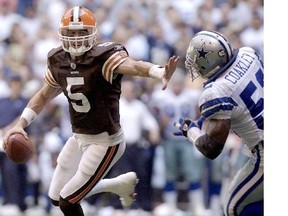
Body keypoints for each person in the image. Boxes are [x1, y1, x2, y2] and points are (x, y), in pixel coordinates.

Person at [2, 6, 179, 216]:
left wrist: (157, 71)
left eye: (82, 32)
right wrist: (20, 124)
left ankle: (112, 186)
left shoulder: (103, 57)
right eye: (72, 32)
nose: (76, 38)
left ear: (92, 34)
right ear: (62, 34)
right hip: (78, 137)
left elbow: (132, 66)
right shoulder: (58, 60)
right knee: (55, 198)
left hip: (106, 142)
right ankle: (116, 184)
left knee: (68, 201)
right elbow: (43, 95)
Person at [174, 30, 263, 216]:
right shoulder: (248, 53)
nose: (195, 68)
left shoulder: (215, 92)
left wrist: (190, 131)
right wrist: (202, 120)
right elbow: (239, 100)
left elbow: (211, 148)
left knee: (233, 207)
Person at [150, 68, 205, 215]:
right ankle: (171, 206)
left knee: (192, 172)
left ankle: (197, 206)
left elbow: (201, 110)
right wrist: (160, 123)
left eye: (180, 83)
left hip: (187, 139)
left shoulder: (192, 95)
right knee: (170, 173)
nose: (177, 86)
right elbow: (152, 112)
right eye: (175, 83)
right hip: (169, 139)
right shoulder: (160, 96)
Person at [0, 74, 29, 214]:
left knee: (14, 171)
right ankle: (7, 201)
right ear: (10, 84)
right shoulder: (3, 101)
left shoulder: (24, 101)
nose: (16, 86)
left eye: (18, 83)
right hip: (1, 139)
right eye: (13, 83)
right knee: (5, 171)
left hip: (16, 140)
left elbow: (23, 118)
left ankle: (17, 202)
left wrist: (8, 128)